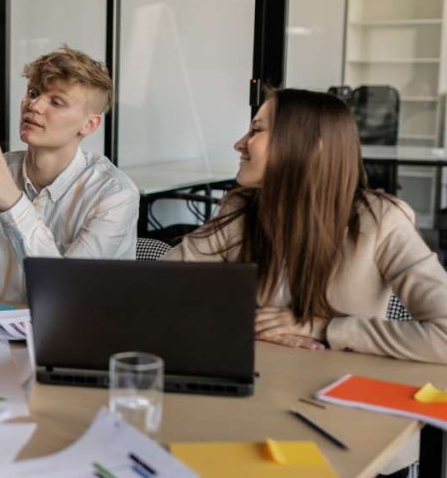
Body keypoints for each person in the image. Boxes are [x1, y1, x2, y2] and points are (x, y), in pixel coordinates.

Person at [165, 88, 447, 362]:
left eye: (256, 130)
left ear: (312, 147)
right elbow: (159, 285)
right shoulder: (240, 209)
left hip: (338, 391)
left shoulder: (382, 220)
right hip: (259, 377)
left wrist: (322, 328)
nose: (239, 144)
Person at [0, 46, 139, 303]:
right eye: (33, 93)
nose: (34, 105)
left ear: (89, 125)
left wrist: (12, 204)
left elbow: (66, 293)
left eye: (56, 102)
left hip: (91, 335)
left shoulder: (115, 194)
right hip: (11, 334)